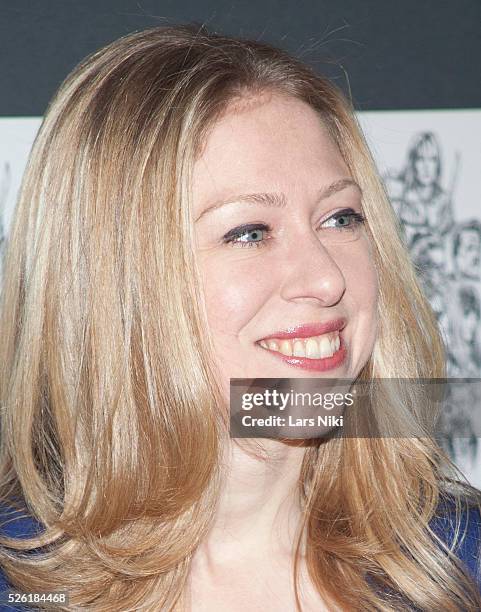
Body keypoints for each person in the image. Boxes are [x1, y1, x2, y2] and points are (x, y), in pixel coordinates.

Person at [0, 24, 480, 611]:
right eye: (249, 232)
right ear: (117, 281)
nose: (328, 279)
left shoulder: (455, 559)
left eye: (341, 218)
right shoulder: (21, 588)